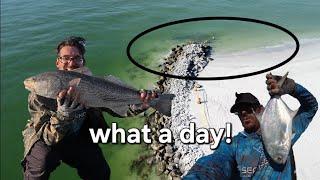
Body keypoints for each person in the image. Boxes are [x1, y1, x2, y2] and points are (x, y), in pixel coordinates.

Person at [22, 36, 155, 180]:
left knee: (100, 173)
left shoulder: (93, 84)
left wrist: (144, 103)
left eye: (76, 58)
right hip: (46, 139)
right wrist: (63, 115)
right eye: (65, 58)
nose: (71, 63)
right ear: (58, 62)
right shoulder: (38, 96)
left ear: (83, 62)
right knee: (40, 167)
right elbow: (46, 137)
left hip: (80, 137)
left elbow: (120, 109)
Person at [184, 74, 318, 179]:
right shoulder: (233, 144)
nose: (243, 113)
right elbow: (215, 162)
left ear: (260, 110)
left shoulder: (282, 131)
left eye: (248, 109)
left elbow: (310, 107)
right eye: (239, 112)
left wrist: (293, 88)